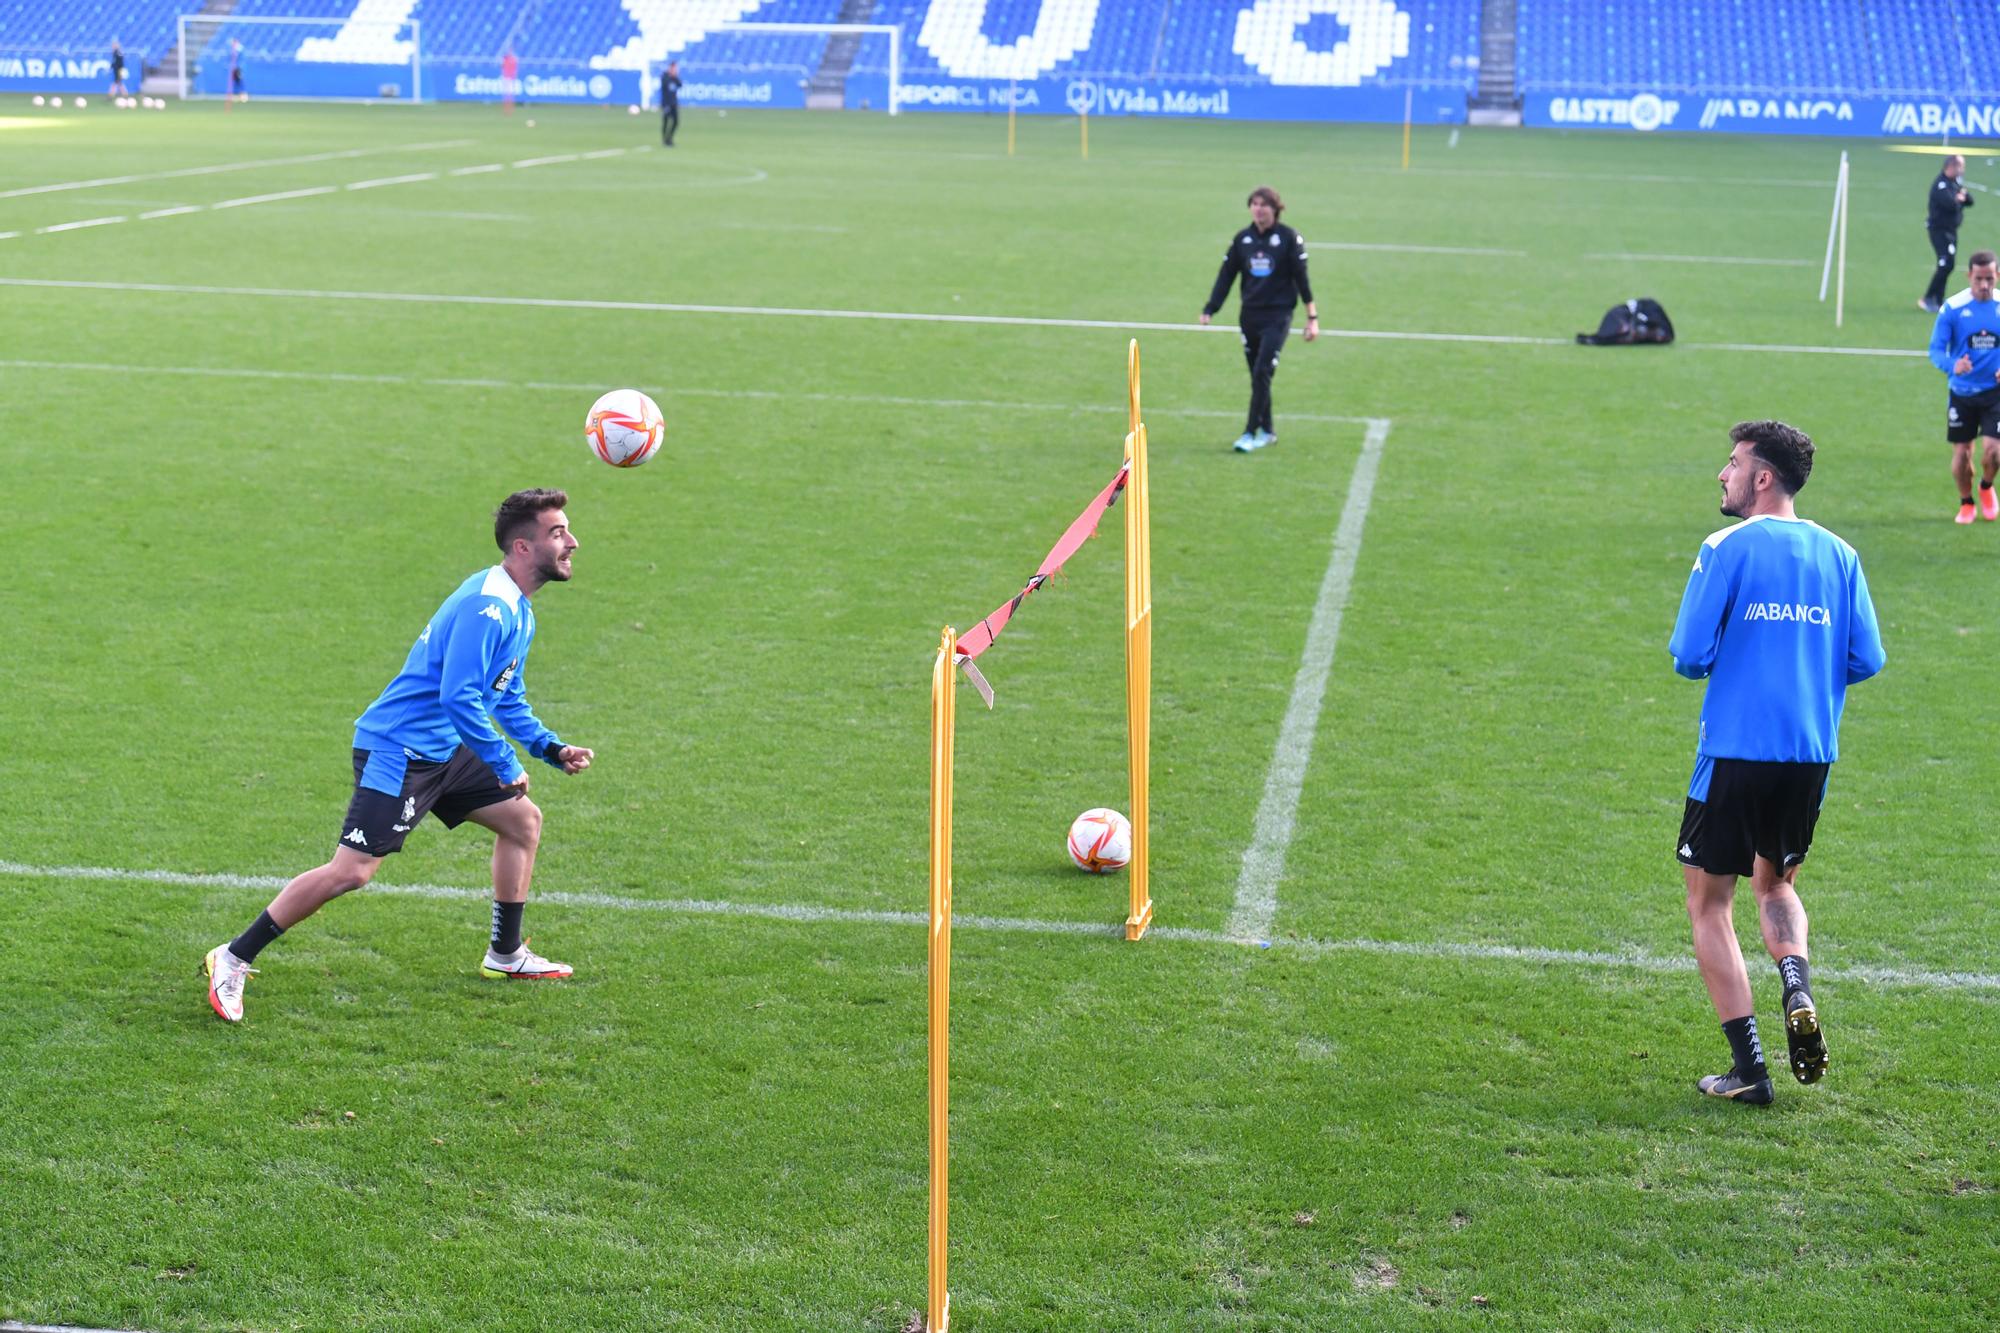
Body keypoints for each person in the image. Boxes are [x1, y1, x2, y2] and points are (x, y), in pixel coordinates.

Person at [203, 490, 596, 1023]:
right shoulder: (489, 608)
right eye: (558, 533)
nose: (572, 542)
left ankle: (505, 955)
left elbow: (505, 695)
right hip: (398, 749)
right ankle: (233, 956)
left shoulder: (516, 608)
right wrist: (505, 762)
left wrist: (549, 747)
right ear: (523, 547)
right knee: (352, 872)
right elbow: (460, 696)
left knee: (522, 822)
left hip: (444, 747)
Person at [1668, 421, 1885, 1106]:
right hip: (1808, 754)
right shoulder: (1841, 554)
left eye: (1733, 463)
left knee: (1709, 903)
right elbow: (1866, 659)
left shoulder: (1724, 547)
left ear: (1763, 477)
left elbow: (1689, 655)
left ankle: (1750, 1070)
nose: (1722, 474)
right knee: (1775, 883)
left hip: (1734, 750)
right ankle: (1796, 985)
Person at [1200, 186, 1319, 452]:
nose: (1258, 209)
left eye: (1263, 204)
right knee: (1258, 376)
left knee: (1262, 371)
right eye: (1254, 204)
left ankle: (1249, 432)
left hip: (1278, 316)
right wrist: (1211, 308)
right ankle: (1268, 431)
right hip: (1249, 316)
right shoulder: (1243, 239)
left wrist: (1312, 317)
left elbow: (1302, 278)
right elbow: (1226, 275)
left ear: (1275, 209)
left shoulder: (1289, 238)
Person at [1927, 248, 2000, 523]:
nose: (1984, 285)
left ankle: (1986, 487)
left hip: (1995, 393)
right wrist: (1952, 365)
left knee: (1994, 452)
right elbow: (1935, 350)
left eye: (1989, 279)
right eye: (1979, 278)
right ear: (1969, 275)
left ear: (1997, 276)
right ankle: (1966, 502)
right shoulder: (1953, 308)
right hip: (1962, 393)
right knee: (1962, 455)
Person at [1920, 154, 1972, 313]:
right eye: (1960, 166)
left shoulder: (1954, 182)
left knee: (1948, 264)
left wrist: (1961, 198)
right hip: (1939, 231)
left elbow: (1970, 200)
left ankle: (1938, 299)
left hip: (1950, 230)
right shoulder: (1941, 185)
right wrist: (1959, 198)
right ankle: (1928, 299)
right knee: (1945, 263)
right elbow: (1951, 204)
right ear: (1951, 167)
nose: (1963, 170)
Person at [660, 60, 682, 146]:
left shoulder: (675, 78)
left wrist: (675, 77)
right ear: (670, 68)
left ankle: (669, 138)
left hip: (674, 103)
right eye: (673, 68)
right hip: (666, 103)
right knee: (666, 121)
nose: (674, 70)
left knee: (676, 122)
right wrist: (670, 76)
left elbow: (680, 85)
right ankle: (664, 139)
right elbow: (664, 85)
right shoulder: (665, 76)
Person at [226, 38, 246, 106]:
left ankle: (243, 95)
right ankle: (235, 95)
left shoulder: (240, 48)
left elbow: (240, 57)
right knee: (234, 81)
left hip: (238, 68)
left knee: (240, 81)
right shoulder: (232, 49)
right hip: (233, 67)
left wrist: (239, 66)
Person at [501, 47, 518, 115]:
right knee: (506, 94)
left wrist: (514, 76)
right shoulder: (505, 59)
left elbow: (515, 69)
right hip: (506, 77)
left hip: (511, 78)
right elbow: (502, 67)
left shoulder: (514, 59)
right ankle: (506, 109)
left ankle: (510, 109)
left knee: (510, 94)